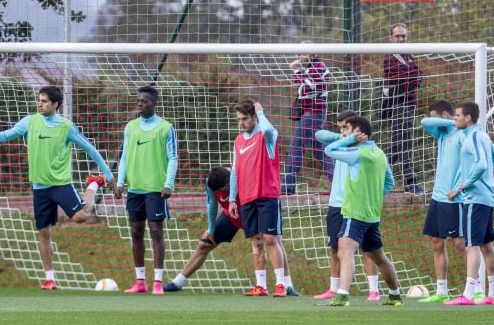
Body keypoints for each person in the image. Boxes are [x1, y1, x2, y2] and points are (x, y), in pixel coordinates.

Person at [0, 86, 114, 290]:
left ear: (55, 104)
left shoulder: (66, 126)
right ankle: (49, 279)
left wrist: (107, 175)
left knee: (81, 217)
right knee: (44, 232)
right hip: (39, 187)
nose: (40, 104)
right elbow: (5, 136)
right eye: (39, 100)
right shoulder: (30, 121)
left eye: (44, 101)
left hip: (61, 183)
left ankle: (92, 184)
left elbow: (90, 148)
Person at [163, 166, 300, 296]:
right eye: (223, 189)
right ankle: (178, 282)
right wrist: (211, 229)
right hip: (231, 215)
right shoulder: (211, 183)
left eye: (228, 187)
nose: (226, 190)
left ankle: (287, 285)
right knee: (204, 243)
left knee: (272, 242)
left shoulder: (241, 175)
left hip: (252, 212)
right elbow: (212, 205)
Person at [323, 116, 403, 306]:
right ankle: (395, 295)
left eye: (348, 130)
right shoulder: (379, 153)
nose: (344, 133)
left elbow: (329, 150)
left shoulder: (357, 153)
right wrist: (373, 197)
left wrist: (351, 140)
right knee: (378, 256)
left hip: (355, 212)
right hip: (372, 215)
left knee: (344, 249)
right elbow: (390, 182)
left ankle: (342, 295)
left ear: (358, 133)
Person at [228, 100, 297, 297]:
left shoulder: (267, 136)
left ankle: (281, 284)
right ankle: (260, 285)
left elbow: (269, 130)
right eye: (239, 119)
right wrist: (233, 198)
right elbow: (235, 171)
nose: (241, 123)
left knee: (270, 238)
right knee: (256, 240)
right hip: (247, 196)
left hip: (267, 194)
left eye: (244, 119)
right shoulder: (239, 140)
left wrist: (262, 113)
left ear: (254, 118)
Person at [113, 86, 178, 296]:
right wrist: (120, 182)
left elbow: (173, 158)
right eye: (138, 100)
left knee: (156, 231)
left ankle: (157, 281)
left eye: (144, 101)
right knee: (136, 233)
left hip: (156, 189)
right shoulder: (130, 127)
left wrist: (168, 183)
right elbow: (124, 156)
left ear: (153, 103)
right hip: (135, 189)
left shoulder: (166, 128)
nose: (140, 104)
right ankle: (140, 280)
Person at [312, 110, 381, 302]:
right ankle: (334, 288)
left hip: (357, 204)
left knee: (367, 249)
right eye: (339, 127)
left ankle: (373, 289)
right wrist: (345, 137)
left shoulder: (363, 150)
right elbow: (319, 135)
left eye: (345, 127)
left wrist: (352, 139)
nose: (341, 131)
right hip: (336, 204)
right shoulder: (340, 143)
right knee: (335, 248)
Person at [445, 101, 494, 306]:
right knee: (487, 245)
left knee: (471, 246)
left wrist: (464, 185)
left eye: (457, 116)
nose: (455, 119)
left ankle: (468, 294)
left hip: (474, 198)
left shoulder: (473, 137)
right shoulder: (483, 136)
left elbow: (481, 164)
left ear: (468, 117)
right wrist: (485, 180)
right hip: (486, 198)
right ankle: (493, 294)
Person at [416, 100, 467, 302]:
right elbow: (424, 122)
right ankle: (441, 291)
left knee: (460, 244)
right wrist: (446, 123)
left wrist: (461, 186)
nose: (433, 120)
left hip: (455, 197)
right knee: (436, 243)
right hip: (438, 196)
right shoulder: (442, 133)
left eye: (436, 116)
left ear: (446, 114)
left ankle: (476, 287)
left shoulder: (463, 134)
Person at [377, 23, 424, 195]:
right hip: (398, 104)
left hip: (409, 104)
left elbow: (419, 76)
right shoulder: (391, 57)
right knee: (405, 144)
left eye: (403, 36)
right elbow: (404, 79)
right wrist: (413, 78)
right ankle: (410, 183)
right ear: (391, 38)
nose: (401, 39)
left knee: (397, 146)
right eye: (397, 36)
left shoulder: (408, 55)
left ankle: (376, 174)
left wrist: (414, 77)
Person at [283, 47, 333, 194]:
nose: (300, 57)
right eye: (298, 54)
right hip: (311, 113)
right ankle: (338, 180)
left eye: (303, 54)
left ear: (313, 53)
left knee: (296, 147)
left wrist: (297, 71)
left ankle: (288, 187)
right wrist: (299, 75)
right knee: (320, 151)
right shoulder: (312, 67)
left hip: (313, 114)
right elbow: (300, 87)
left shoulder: (318, 67)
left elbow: (306, 89)